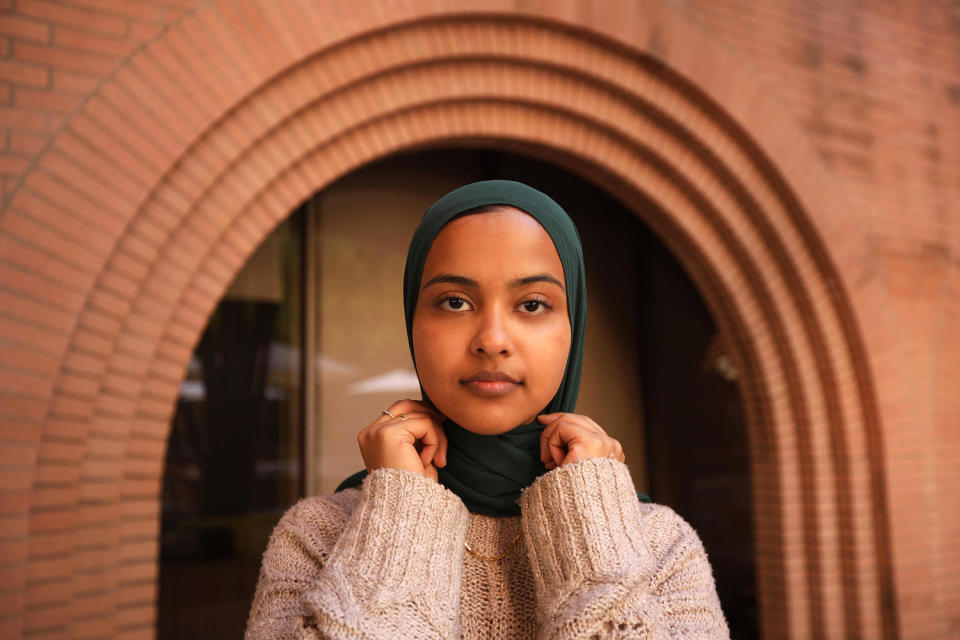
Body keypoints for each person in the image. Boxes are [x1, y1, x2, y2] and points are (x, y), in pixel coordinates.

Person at [245, 180, 730, 639]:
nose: (492, 340)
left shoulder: (661, 547)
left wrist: (588, 525)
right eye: (454, 301)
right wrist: (400, 516)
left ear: (573, 327)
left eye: (533, 304)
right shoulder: (316, 537)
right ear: (412, 322)